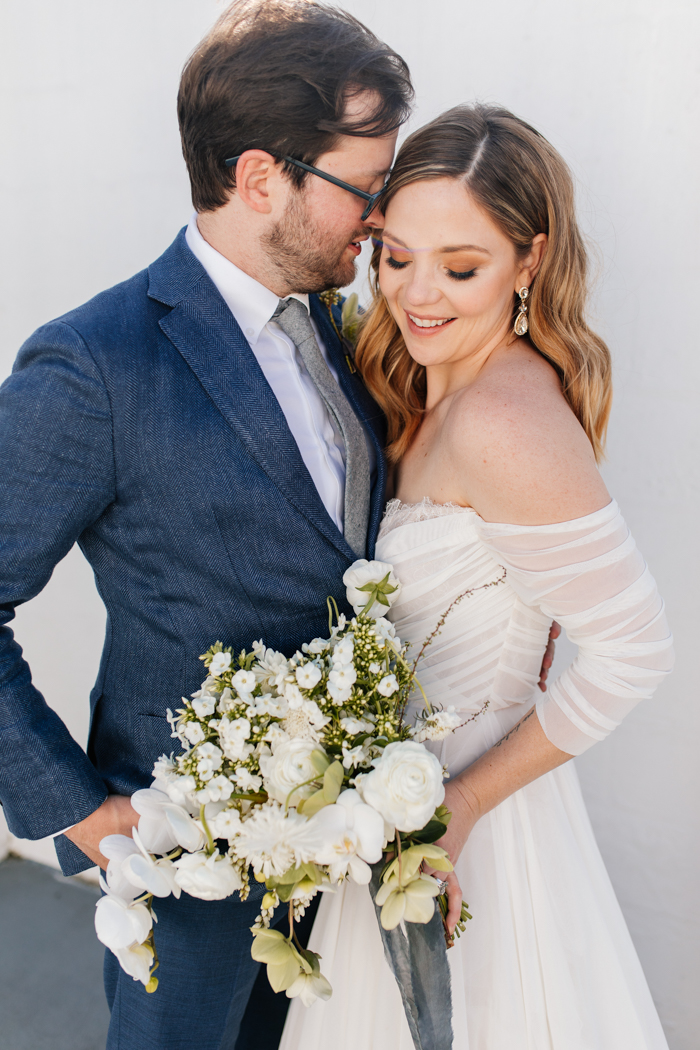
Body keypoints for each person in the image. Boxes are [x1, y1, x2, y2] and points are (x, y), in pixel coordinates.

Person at [0, 3, 414, 1048]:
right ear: (261, 178)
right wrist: (83, 812)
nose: (382, 219)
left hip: (348, 862)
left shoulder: (340, 321)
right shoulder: (94, 366)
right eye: (366, 188)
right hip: (186, 874)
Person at [279, 104, 674, 1050]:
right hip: (393, 817)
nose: (418, 294)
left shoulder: (505, 420)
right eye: (397, 254)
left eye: (461, 268)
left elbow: (635, 654)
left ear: (530, 263)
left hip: (476, 835)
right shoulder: (419, 387)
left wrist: (455, 811)